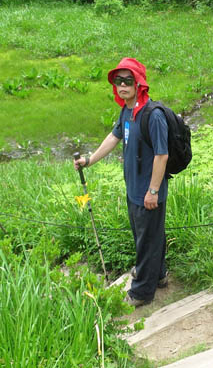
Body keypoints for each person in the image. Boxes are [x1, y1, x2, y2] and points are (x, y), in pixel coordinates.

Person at [74, 57, 169, 307]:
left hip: (148, 191)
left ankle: (141, 293)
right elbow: (115, 136)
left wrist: (153, 191)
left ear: (139, 83)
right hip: (134, 188)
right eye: (119, 81)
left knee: (146, 240)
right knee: (148, 234)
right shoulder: (127, 110)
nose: (122, 85)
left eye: (128, 80)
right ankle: (159, 275)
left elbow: (162, 155)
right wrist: (90, 160)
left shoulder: (153, 115)